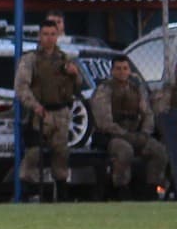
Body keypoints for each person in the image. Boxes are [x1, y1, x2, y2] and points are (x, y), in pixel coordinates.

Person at [16, 12, 83, 201]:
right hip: (40, 113)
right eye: (45, 34)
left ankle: (61, 193)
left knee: (61, 153)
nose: (49, 38)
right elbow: (21, 87)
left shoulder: (65, 59)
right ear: (39, 36)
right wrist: (35, 106)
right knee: (34, 153)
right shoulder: (31, 60)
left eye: (53, 34)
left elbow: (79, 87)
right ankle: (30, 192)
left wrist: (75, 74)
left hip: (61, 112)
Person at [91, 55, 168, 200]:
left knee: (159, 151)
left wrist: (145, 133)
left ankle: (151, 191)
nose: (122, 72)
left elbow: (148, 113)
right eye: (118, 69)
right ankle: (121, 190)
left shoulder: (137, 89)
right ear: (112, 71)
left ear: (129, 71)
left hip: (136, 134)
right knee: (124, 151)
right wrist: (124, 134)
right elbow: (104, 122)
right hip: (112, 137)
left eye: (125, 68)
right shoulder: (104, 90)